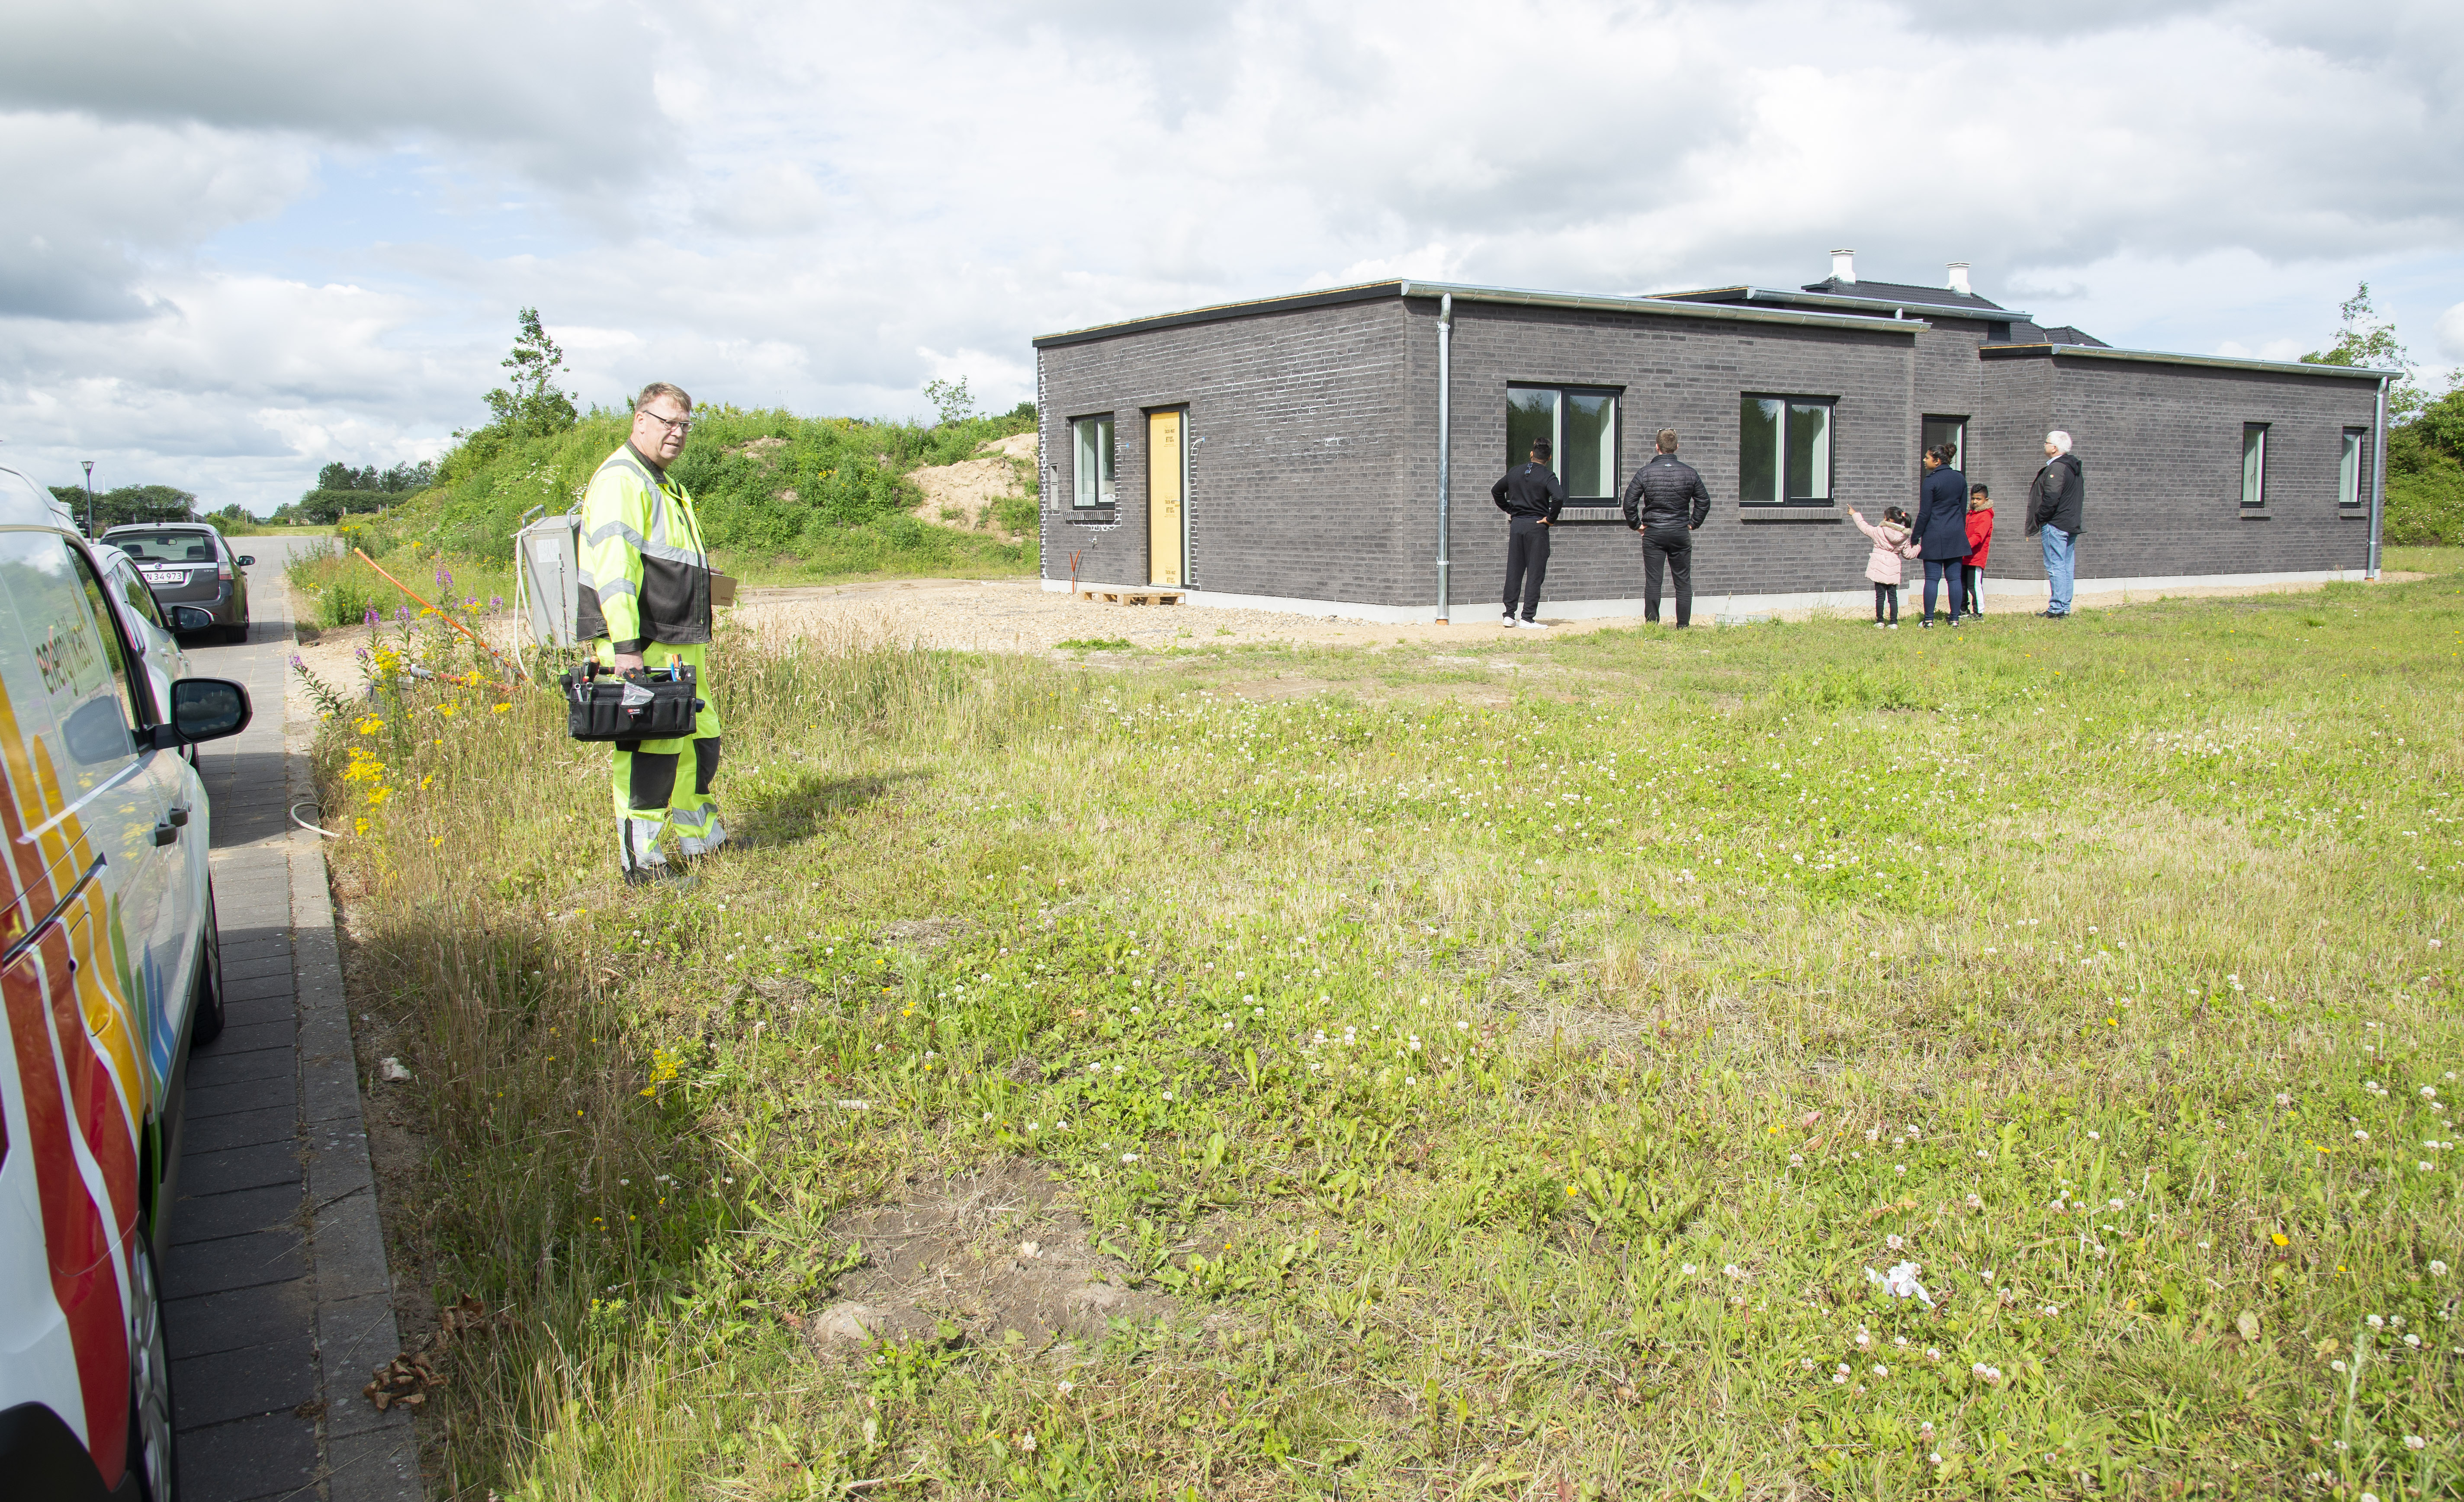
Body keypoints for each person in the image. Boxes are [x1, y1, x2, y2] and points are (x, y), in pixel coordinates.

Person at [576, 382, 728, 884]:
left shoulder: (665, 484)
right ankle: (641, 860)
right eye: (668, 422)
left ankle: (701, 837)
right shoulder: (623, 479)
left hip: (679, 637)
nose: (678, 433)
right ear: (640, 420)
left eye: (685, 424)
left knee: (698, 736)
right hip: (643, 641)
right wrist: (625, 648)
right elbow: (615, 569)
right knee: (651, 746)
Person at [1619, 427, 1712, 627]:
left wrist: (1637, 525)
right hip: (1680, 532)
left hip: (1654, 533)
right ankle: (1683, 626)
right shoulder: (1690, 473)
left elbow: (1629, 503)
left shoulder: (1645, 473)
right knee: (1683, 581)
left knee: (1654, 581)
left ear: (1657, 447)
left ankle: (1652, 625)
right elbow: (1704, 501)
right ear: (1676, 447)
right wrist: (1693, 523)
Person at [1491, 439, 1565, 629]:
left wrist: (1509, 509)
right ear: (1549, 457)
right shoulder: (1548, 476)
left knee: (1514, 569)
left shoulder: (1515, 472)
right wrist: (1550, 519)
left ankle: (1509, 615)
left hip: (1517, 525)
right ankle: (1527, 618)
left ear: (1532, 454)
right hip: (1536, 527)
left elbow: (1496, 490)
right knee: (1535, 572)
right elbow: (1558, 497)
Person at [2026, 430, 2085, 618]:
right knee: (2066, 566)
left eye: (2046, 442)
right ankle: (2064, 607)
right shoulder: (2072, 467)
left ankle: (2057, 608)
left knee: (2056, 566)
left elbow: (2051, 497)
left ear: (2054, 448)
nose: (2044, 445)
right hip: (2070, 522)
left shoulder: (2057, 468)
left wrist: (2042, 518)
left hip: (2056, 524)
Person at [1911, 442, 1970, 627]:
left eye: (1927, 457)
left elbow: (1924, 513)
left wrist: (1915, 536)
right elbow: (1962, 511)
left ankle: (1929, 620)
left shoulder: (1931, 481)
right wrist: (1959, 531)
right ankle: (1954, 619)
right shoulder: (1960, 479)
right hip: (1955, 533)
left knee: (1932, 579)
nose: (1924, 460)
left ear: (1937, 461)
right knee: (1954, 579)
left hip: (1934, 534)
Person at [1847, 505, 1919, 627]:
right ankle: (1894, 623)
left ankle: (1880, 621)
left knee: (1880, 597)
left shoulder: (1879, 531)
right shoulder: (1905, 537)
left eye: (1885, 517)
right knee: (1893, 597)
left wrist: (1855, 514)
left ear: (1890, 520)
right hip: (1893, 569)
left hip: (1879, 567)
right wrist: (1918, 548)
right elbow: (1908, 555)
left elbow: (1864, 527)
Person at [1963, 483, 1994, 616]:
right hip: (1964, 557)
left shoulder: (1985, 516)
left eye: (1979, 499)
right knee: (1963, 585)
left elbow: (1979, 536)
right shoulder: (1970, 515)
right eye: (1973, 498)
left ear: (1985, 500)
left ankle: (1978, 613)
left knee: (1974, 586)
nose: (1975, 502)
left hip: (1976, 558)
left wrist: (1964, 546)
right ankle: (1963, 610)